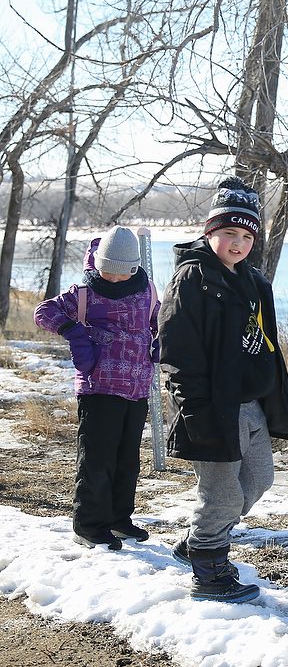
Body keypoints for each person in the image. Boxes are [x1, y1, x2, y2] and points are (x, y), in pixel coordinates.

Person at [160, 176, 288, 603]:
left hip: (253, 405)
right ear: (210, 232)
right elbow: (177, 351)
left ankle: (200, 540)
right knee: (221, 494)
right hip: (212, 408)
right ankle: (209, 573)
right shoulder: (192, 279)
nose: (238, 242)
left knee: (258, 480)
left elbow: (267, 342)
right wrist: (194, 410)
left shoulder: (253, 280)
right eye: (228, 233)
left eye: (246, 235)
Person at [35, 227, 159, 550]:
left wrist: (162, 342)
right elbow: (43, 312)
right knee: (97, 459)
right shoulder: (84, 294)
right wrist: (74, 333)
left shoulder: (147, 291)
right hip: (98, 387)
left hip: (136, 388)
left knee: (127, 460)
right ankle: (89, 524)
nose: (113, 279)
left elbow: (160, 320)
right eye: (107, 271)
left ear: (133, 268)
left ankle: (119, 519)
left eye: (121, 273)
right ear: (98, 263)